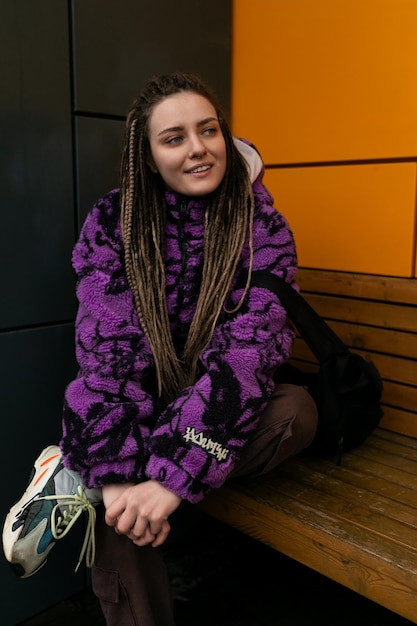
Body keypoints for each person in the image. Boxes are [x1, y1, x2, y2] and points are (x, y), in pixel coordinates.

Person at [2, 72, 317, 625]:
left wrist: (168, 477)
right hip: (143, 404)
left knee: (297, 412)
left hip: (217, 407)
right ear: (147, 156)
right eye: (174, 138)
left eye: (209, 131)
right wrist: (129, 479)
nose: (198, 149)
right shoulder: (113, 224)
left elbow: (247, 358)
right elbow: (106, 357)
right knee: (119, 501)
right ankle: (102, 474)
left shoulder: (262, 227)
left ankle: (85, 468)